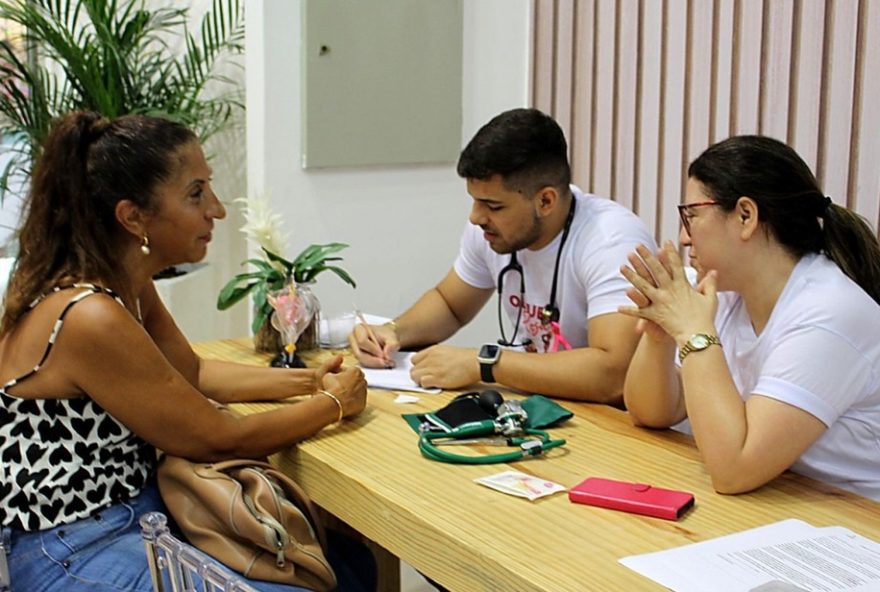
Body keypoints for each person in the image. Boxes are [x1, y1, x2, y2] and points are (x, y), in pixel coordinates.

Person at [0, 111, 375, 591]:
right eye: (196, 193)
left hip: (140, 514)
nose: (216, 209)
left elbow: (190, 372)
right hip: (73, 547)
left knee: (348, 567)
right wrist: (335, 404)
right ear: (133, 216)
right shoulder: (87, 315)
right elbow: (216, 438)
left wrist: (311, 380)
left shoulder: (123, 285)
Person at [620, 135, 880, 500]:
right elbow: (652, 412)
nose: (683, 237)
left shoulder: (829, 313)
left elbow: (734, 470)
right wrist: (660, 335)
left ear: (746, 215)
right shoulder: (724, 291)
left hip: (855, 527)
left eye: (691, 215)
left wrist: (694, 332)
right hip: (779, 503)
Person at [349, 108, 655, 403]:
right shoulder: (491, 230)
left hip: (612, 424)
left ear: (545, 201)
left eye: (493, 206)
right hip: (541, 406)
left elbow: (614, 375)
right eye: (474, 201)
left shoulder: (611, 241)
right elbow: (450, 304)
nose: (475, 217)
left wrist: (486, 364)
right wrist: (392, 332)